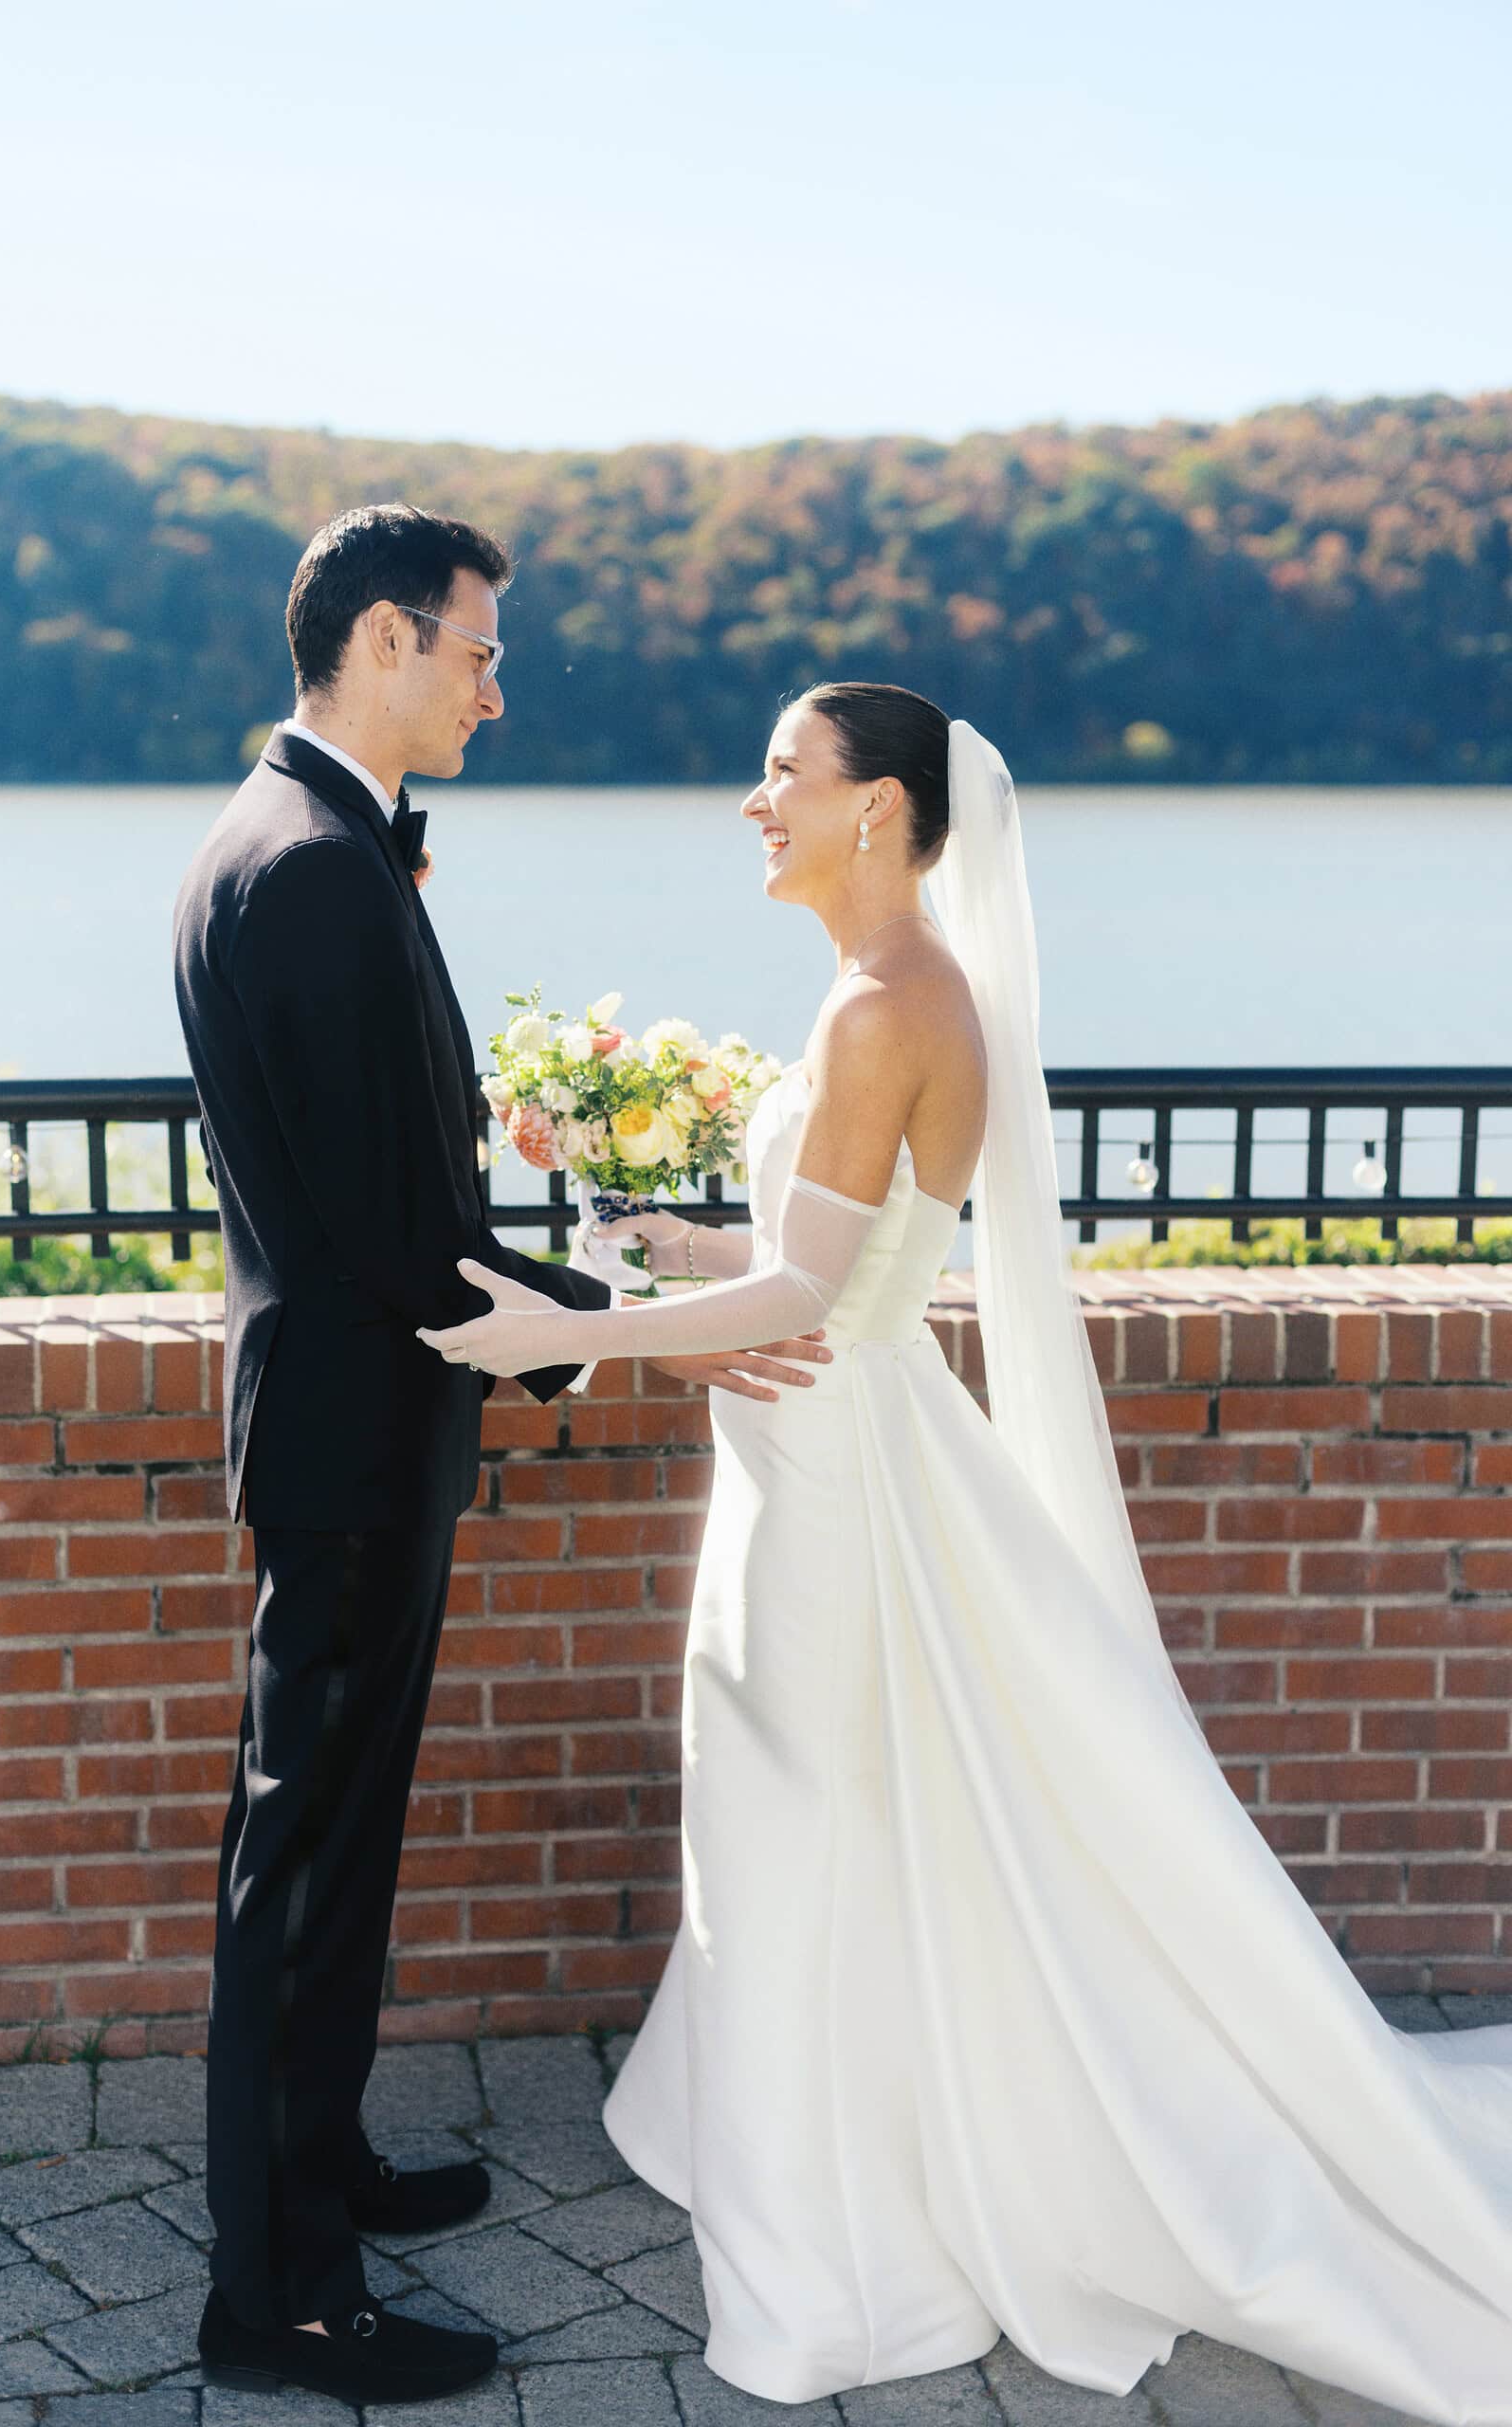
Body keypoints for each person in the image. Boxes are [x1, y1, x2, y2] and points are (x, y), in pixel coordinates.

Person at [421, 683, 1512, 2421]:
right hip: (821, 1442)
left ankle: (844, 2248)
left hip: (839, 1476)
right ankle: (845, 2148)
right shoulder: (886, 986)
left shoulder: (891, 1002)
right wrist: (655, 1241)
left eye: (784, 772)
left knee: (803, 1821)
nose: (755, 801)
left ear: (878, 807)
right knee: (823, 1818)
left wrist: (561, 1340)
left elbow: (812, 1293)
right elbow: (814, 1255)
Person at [171, 503, 835, 2407]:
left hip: (360, 1419)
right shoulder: (310, 867)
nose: (494, 686)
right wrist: (609, 1323)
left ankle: (325, 2167)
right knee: (304, 1864)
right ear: (386, 637)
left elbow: (384, 1167)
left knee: (335, 1845)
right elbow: (388, 1224)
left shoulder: (307, 839)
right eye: (477, 649)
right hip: (355, 1429)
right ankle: (282, 2298)